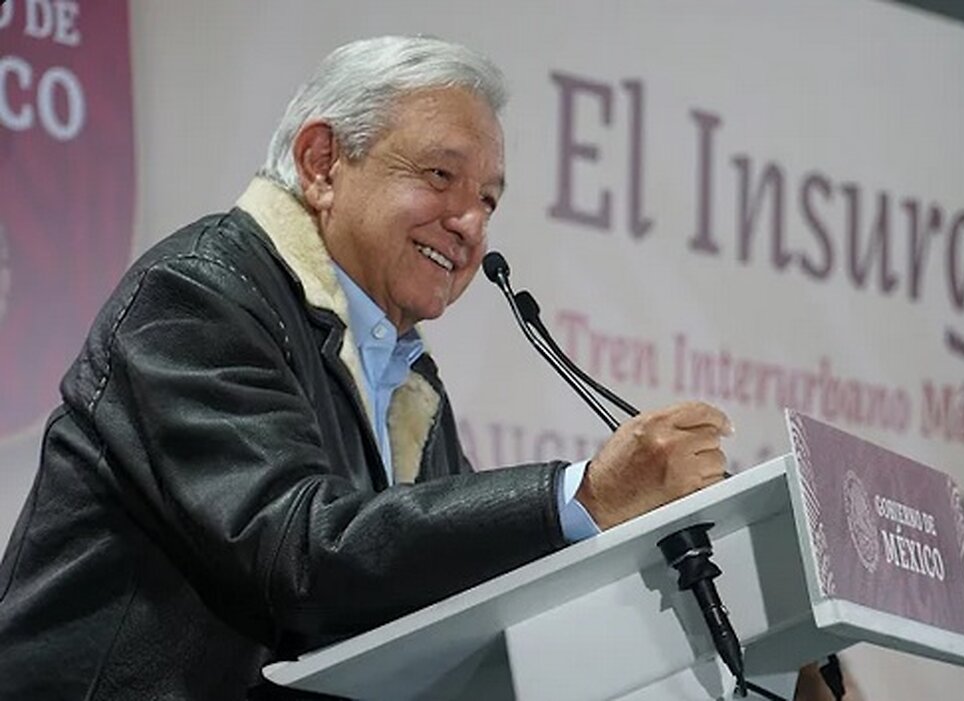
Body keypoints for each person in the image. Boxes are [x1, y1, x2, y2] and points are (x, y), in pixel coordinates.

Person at [0, 36, 731, 700]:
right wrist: (582, 495)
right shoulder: (197, 297)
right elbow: (297, 552)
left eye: (487, 200)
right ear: (322, 163)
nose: (471, 223)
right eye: (441, 175)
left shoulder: (408, 380)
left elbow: (452, 599)